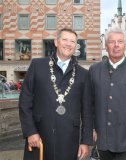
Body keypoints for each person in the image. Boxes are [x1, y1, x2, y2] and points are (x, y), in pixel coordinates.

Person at [19, 28, 93, 160]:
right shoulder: (37, 65)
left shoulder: (84, 74)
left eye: (72, 41)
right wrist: (30, 132)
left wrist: (85, 142)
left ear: (76, 46)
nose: (68, 44)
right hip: (39, 137)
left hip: (69, 141)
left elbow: (87, 112)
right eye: (65, 39)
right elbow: (24, 102)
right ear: (56, 42)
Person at [88, 27, 126, 160]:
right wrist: (91, 129)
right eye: (112, 42)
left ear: (125, 45)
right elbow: (90, 104)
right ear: (106, 46)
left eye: (120, 41)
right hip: (102, 139)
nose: (116, 45)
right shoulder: (94, 70)